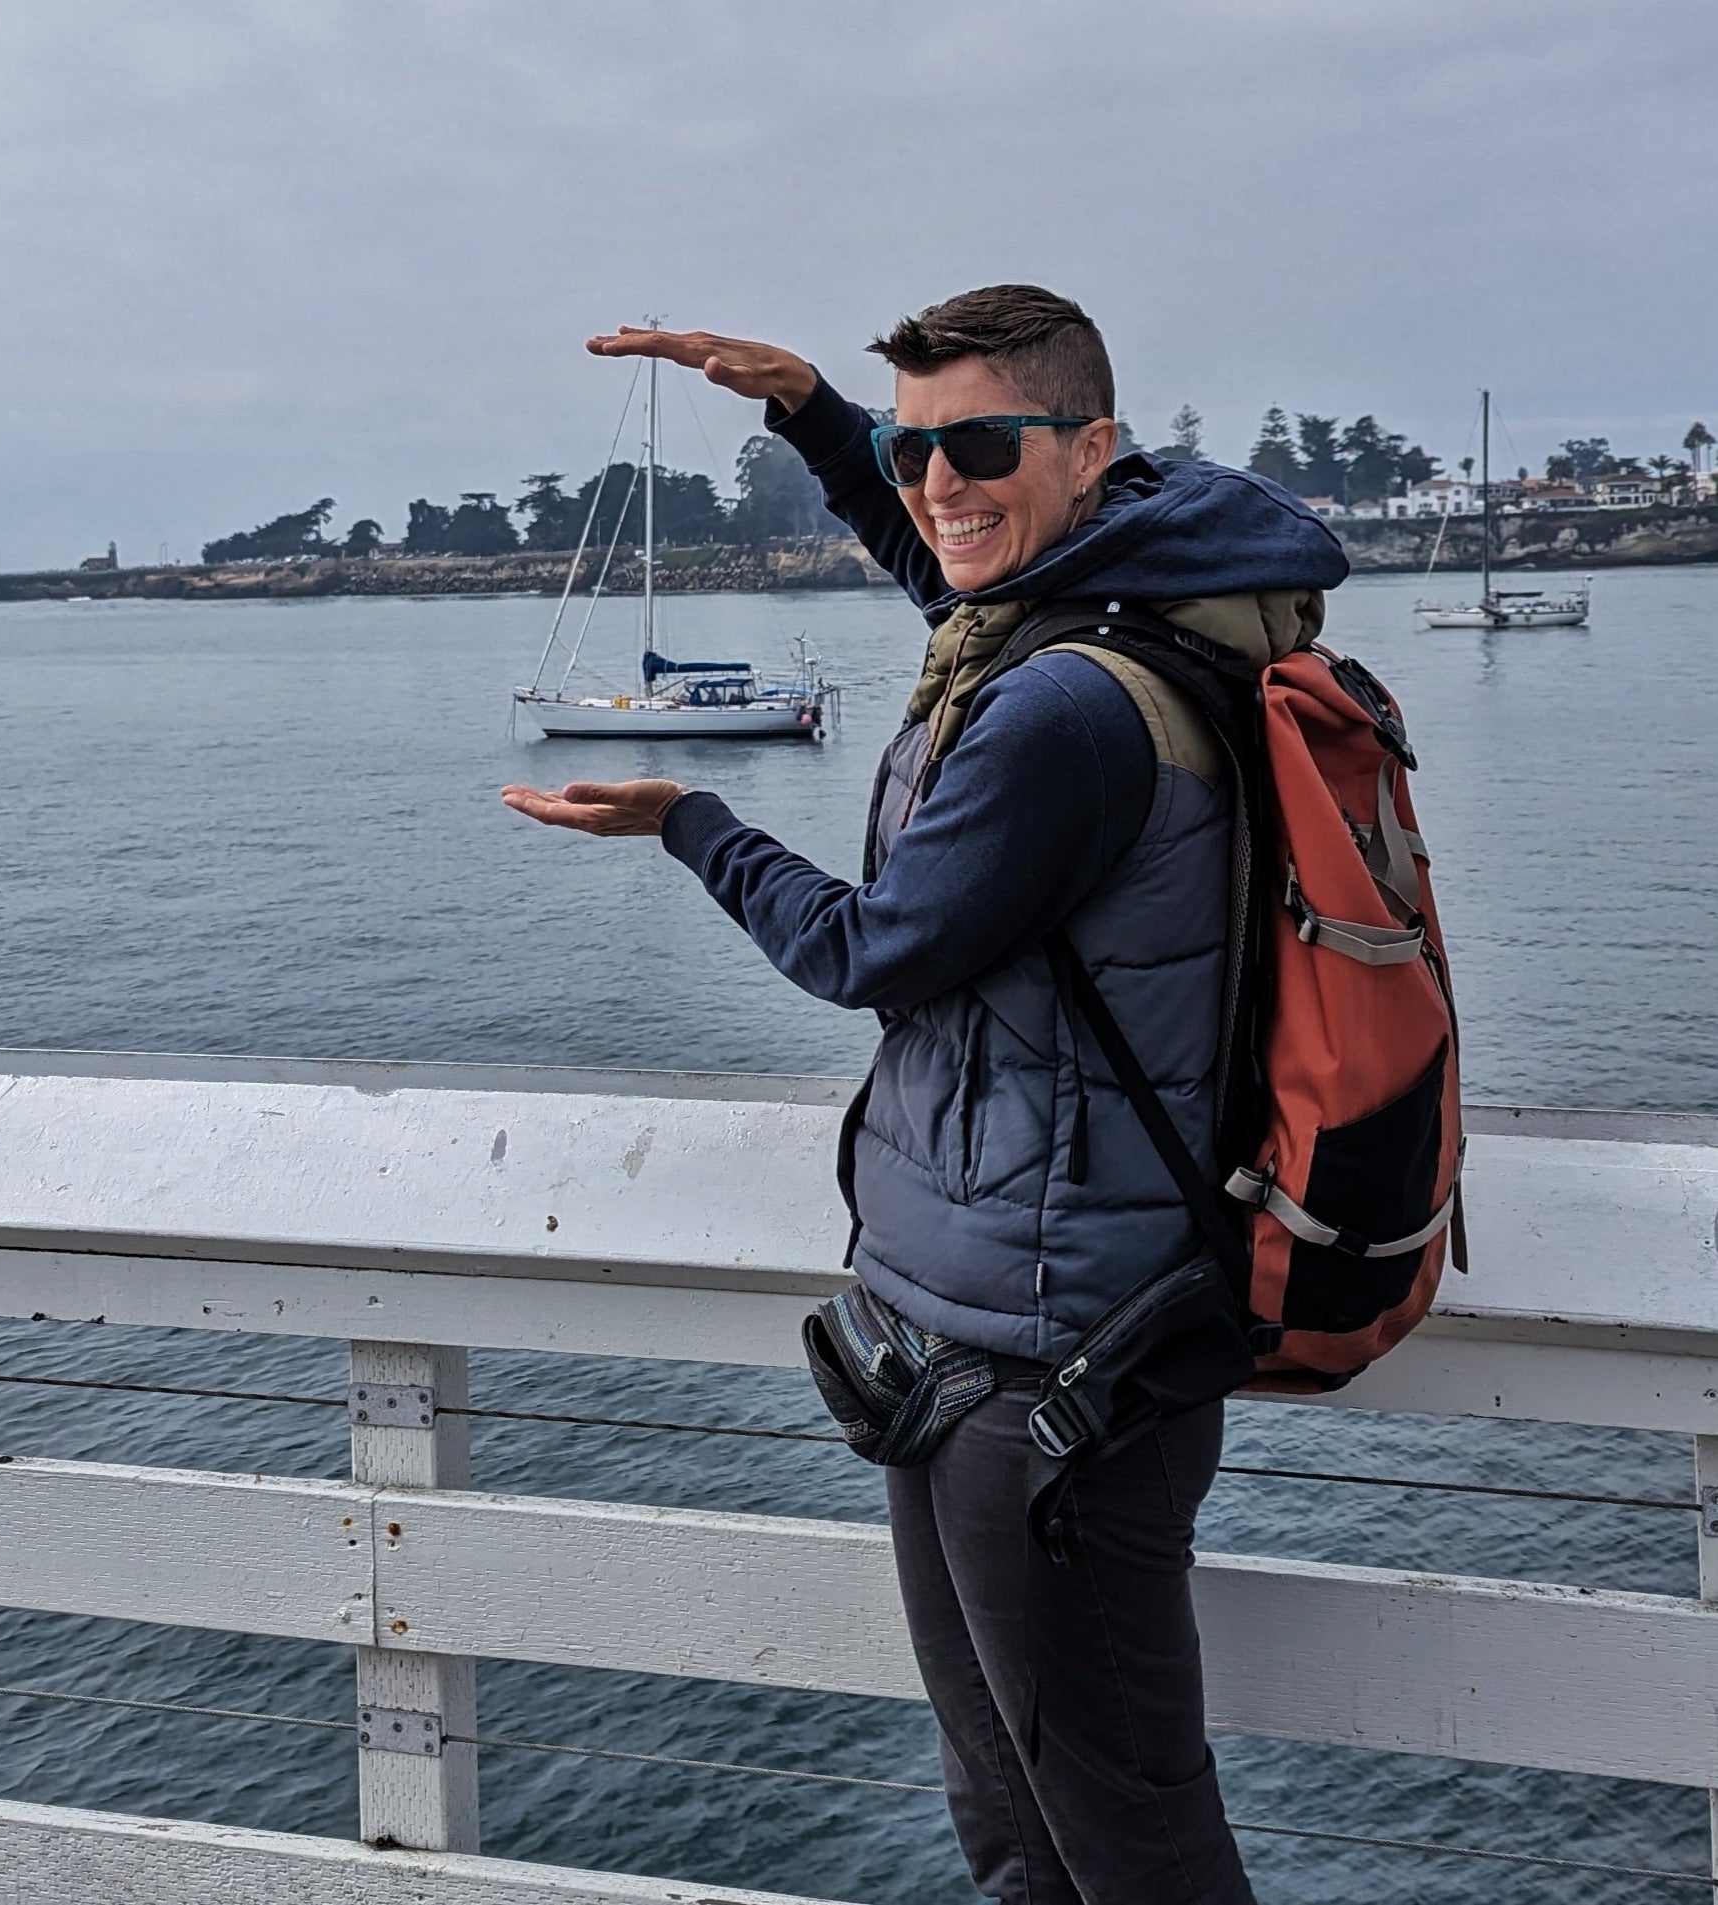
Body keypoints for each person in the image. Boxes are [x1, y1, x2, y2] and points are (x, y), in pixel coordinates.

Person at [503, 285, 1348, 1905]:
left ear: (1091, 448)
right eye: (910, 449)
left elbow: (872, 951)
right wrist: (817, 414)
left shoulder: (1064, 707)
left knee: (1120, 1848)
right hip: (996, 1326)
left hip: (1048, 1357)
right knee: (1018, 1832)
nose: (935, 483)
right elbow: (954, 577)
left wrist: (692, 821)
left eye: (975, 442)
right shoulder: (1127, 617)